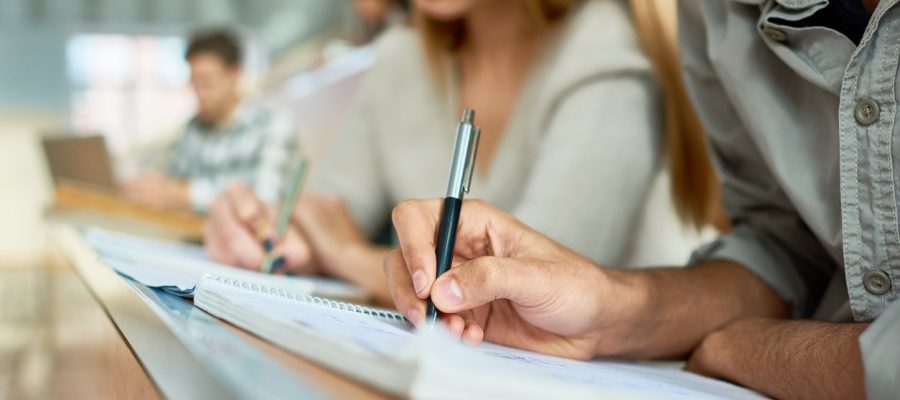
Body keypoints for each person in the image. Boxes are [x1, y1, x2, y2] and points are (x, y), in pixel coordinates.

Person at [385, 0, 898, 399]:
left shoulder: (605, 42)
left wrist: (756, 349)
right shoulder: (716, 11)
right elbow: (790, 245)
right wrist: (613, 307)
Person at [204, 0, 718, 305]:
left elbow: (531, 290)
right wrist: (269, 229)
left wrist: (343, 255)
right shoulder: (401, 56)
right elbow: (329, 209)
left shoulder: (609, 45)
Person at [122, 30, 296, 213]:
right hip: (190, 233)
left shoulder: (273, 127)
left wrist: (183, 194)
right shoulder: (193, 128)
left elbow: (265, 201)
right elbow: (173, 182)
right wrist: (155, 187)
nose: (200, 93)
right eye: (194, 83)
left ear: (235, 74)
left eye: (207, 82)